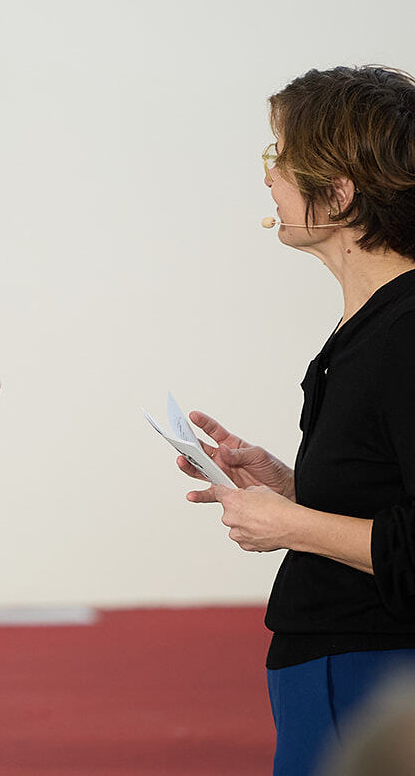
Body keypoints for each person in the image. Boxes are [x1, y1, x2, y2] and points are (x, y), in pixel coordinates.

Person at [177, 66, 415, 776]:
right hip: (348, 669)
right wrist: (291, 490)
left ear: (339, 194)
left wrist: (291, 526)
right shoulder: (372, 325)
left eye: (279, 157)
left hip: (371, 675)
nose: (269, 177)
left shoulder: (405, 333)